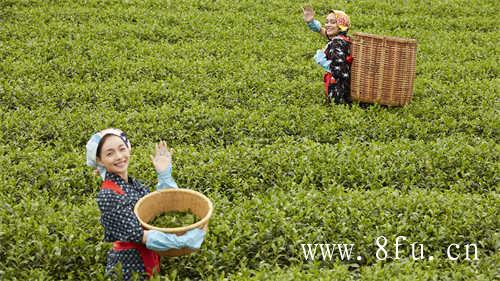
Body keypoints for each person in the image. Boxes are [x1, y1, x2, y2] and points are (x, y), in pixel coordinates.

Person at [86, 128, 206, 280]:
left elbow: (156, 208)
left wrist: (164, 175)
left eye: (122, 149)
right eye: (110, 153)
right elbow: (139, 234)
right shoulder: (108, 195)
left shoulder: (132, 183)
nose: (119, 156)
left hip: (148, 257)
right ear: (99, 160)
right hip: (129, 266)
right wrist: (182, 241)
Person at [303, 6, 353, 104]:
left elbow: (340, 70)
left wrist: (321, 59)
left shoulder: (337, 44)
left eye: (333, 22)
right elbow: (323, 31)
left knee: (334, 106)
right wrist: (311, 22)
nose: (328, 25)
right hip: (340, 87)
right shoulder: (341, 38)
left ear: (341, 25)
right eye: (327, 21)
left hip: (339, 90)